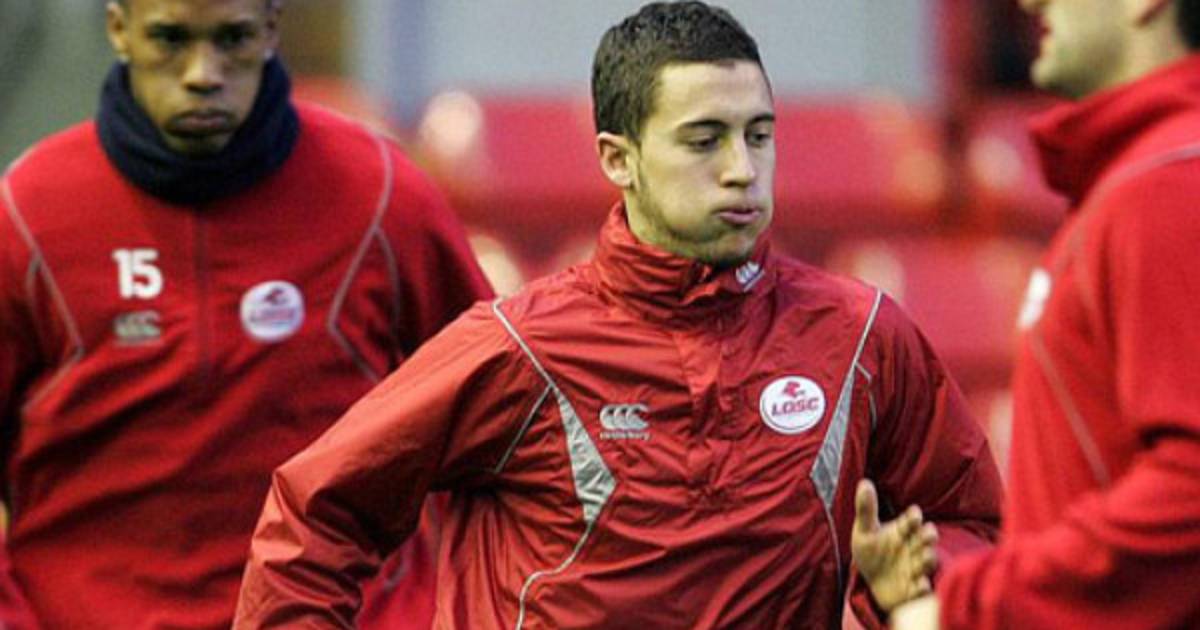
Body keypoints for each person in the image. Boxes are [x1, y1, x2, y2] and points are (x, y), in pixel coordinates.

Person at [234, 2, 1002, 628]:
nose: (742, 169)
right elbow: (316, 518)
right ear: (617, 158)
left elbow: (969, 527)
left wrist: (905, 592)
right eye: (704, 140)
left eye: (759, 135)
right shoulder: (520, 349)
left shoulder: (862, 337)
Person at [0, 0, 492, 627]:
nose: (203, 73)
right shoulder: (28, 215)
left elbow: (507, 426)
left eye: (232, 38)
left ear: (270, 30)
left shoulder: (382, 197)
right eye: (169, 39)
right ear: (120, 30)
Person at [891, 0, 1200, 628]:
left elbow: (1192, 483)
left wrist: (973, 607)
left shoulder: (1165, 184)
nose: (1030, 4)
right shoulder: (1144, 178)